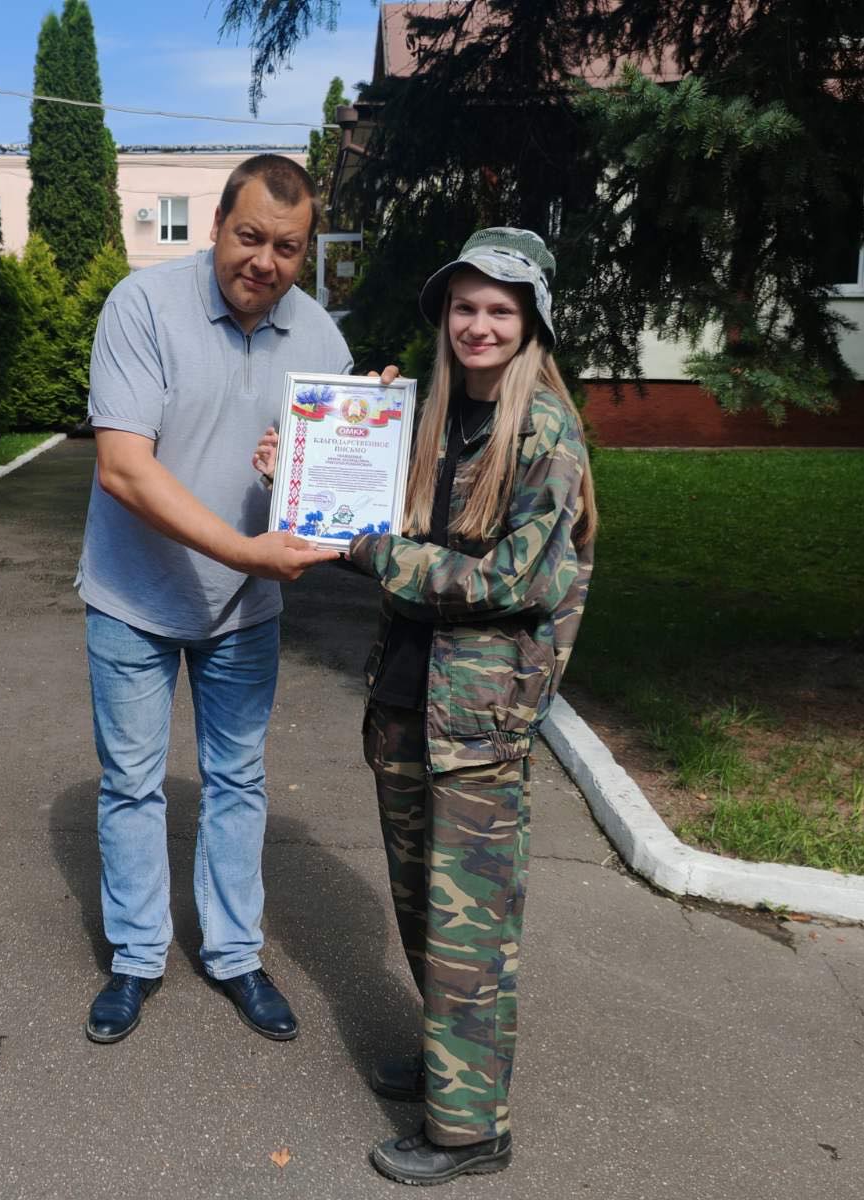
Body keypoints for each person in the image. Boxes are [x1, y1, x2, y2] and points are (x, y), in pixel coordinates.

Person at [265, 227, 596, 1182]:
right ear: (444, 316)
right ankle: (458, 1070)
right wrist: (296, 469)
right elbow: (370, 505)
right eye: (465, 307)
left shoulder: (543, 432)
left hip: (481, 720)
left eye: (500, 309)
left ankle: (469, 1132)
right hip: (410, 698)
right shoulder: (435, 418)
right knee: (424, 908)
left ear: (530, 322)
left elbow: (514, 582)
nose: (479, 325)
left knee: (470, 931)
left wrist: (373, 551)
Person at [77, 153, 397, 1044]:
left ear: (305, 252)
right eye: (250, 236)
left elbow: (316, 484)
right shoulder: (142, 308)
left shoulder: (320, 340)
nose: (265, 261)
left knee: (237, 781)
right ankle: (137, 958)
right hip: (134, 596)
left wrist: (351, 448)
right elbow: (123, 470)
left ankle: (233, 954)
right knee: (134, 783)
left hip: (244, 613)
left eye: (287, 248)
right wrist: (248, 550)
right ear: (218, 222)